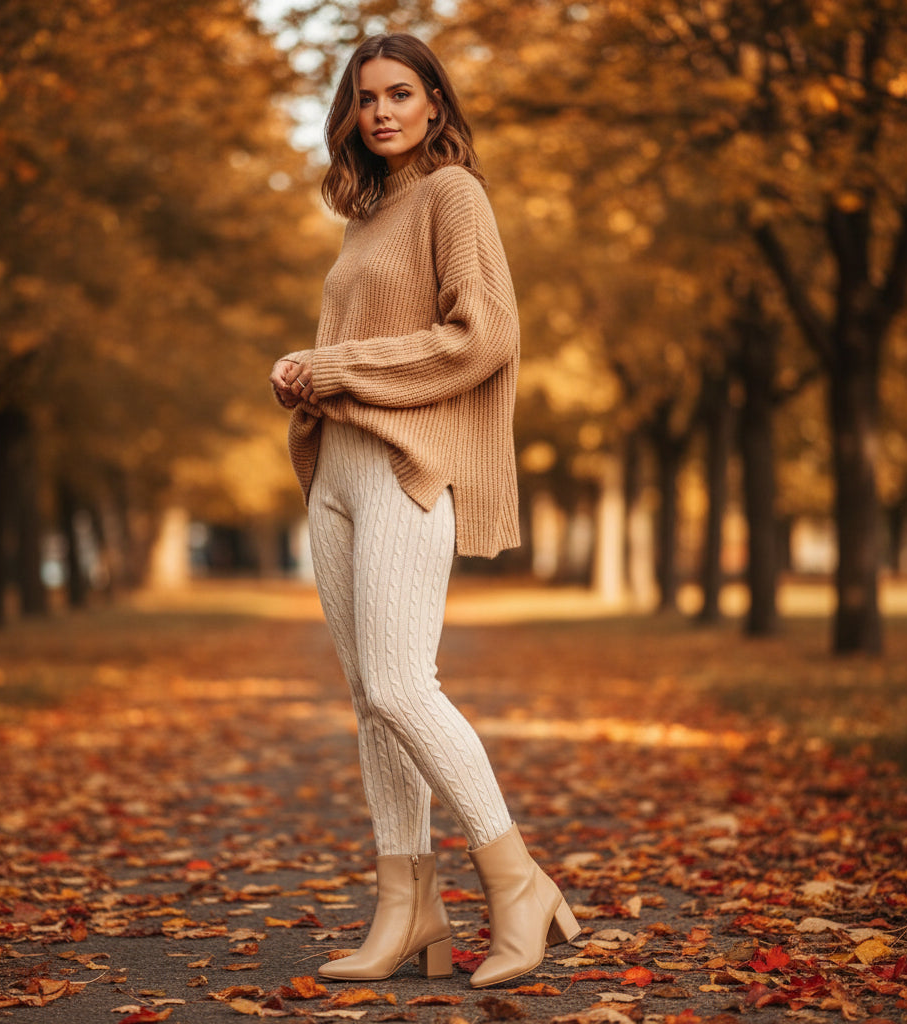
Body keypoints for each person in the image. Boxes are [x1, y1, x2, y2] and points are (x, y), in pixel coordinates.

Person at [269, 32, 578, 989]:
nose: (383, 112)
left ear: (436, 102)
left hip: (408, 470)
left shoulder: (454, 195)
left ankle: (515, 878)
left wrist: (338, 367)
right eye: (366, 99)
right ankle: (408, 908)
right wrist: (306, 381)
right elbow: (360, 349)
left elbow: (481, 336)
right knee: (370, 701)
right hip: (337, 477)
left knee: (405, 685)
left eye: (401, 93)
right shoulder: (367, 217)